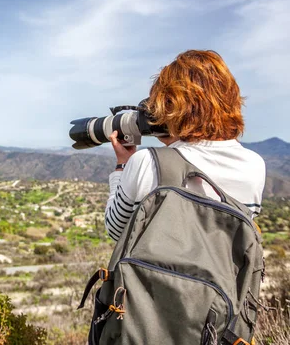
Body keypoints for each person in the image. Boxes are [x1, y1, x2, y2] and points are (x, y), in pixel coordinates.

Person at [104, 50, 266, 241]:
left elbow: (117, 232)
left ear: (169, 106)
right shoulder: (254, 165)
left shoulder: (147, 162)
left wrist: (123, 165)